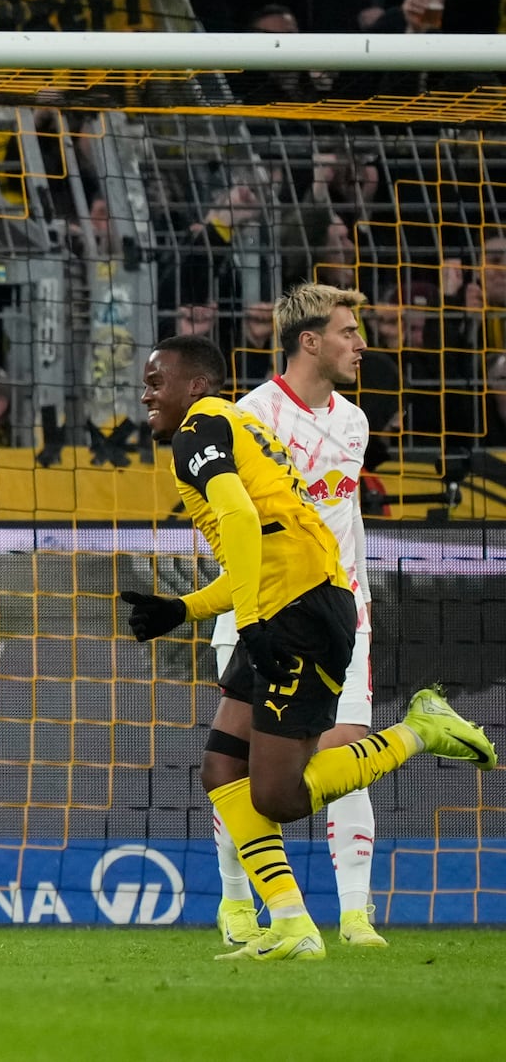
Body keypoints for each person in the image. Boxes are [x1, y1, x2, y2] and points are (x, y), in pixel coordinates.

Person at [120, 332, 496, 961]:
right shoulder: (230, 424)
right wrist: (185, 607)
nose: (146, 393)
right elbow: (264, 539)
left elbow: (239, 519)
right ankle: (292, 922)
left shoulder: (199, 429)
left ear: (195, 385)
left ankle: (419, 732)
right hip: (291, 601)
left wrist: (254, 618)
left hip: (298, 613)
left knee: (279, 795)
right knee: (221, 769)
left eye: (157, 380)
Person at [207, 284, 386, 948]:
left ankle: (355, 914)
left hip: (340, 614)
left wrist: (361, 601)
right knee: (245, 767)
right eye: (347, 331)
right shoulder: (249, 418)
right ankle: (236, 903)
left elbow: (349, 521)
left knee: (346, 749)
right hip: (264, 611)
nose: (359, 343)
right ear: (309, 340)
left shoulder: (355, 422)